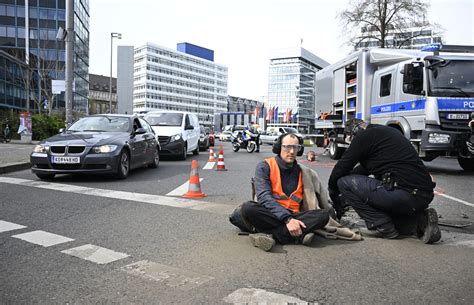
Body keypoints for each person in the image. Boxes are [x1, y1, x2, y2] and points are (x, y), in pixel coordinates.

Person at [328, 119, 441, 244]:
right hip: (423, 196)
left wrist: (333, 191)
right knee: (399, 225)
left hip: (403, 195)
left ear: (353, 133)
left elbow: (342, 168)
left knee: (343, 183)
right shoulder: (385, 134)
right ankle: (418, 220)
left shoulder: (363, 137)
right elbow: (361, 171)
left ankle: (381, 226)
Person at [240, 133, 331, 251]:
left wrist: (292, 218)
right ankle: (297, 235)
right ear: (279, 147)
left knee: (323, 215)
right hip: (272, 213)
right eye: (287, 147)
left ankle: (272, 235)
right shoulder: (265, 166)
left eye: (295, 147)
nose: (292, 151)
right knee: (248, 208)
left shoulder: (302, 171)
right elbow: (263, 197)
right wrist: (287, 219)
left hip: (296, 215)